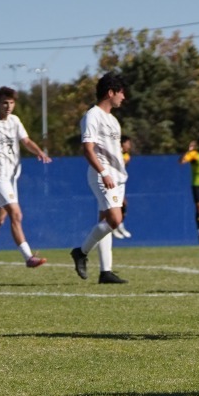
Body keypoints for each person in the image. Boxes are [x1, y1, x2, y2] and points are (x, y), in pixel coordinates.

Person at [0, 86, 52, 269]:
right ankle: (29, 257)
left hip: (11, 178)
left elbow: (26, 141)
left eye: (12, 103)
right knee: (16, 214)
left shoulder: (15, 121)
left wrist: (39, 152)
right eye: (5, 103)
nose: (8, 106)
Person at [69, 72, 130, 285]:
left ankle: (106, 271)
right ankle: (81, 252)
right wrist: (104, 173)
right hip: (102, 175)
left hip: (117, 177)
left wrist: (119, 175)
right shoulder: (92, 116)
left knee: (106, 222)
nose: (124, 97)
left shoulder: (113, 120)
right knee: (115, 220)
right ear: (110, 92)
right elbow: (88, 149)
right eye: (121, 93)